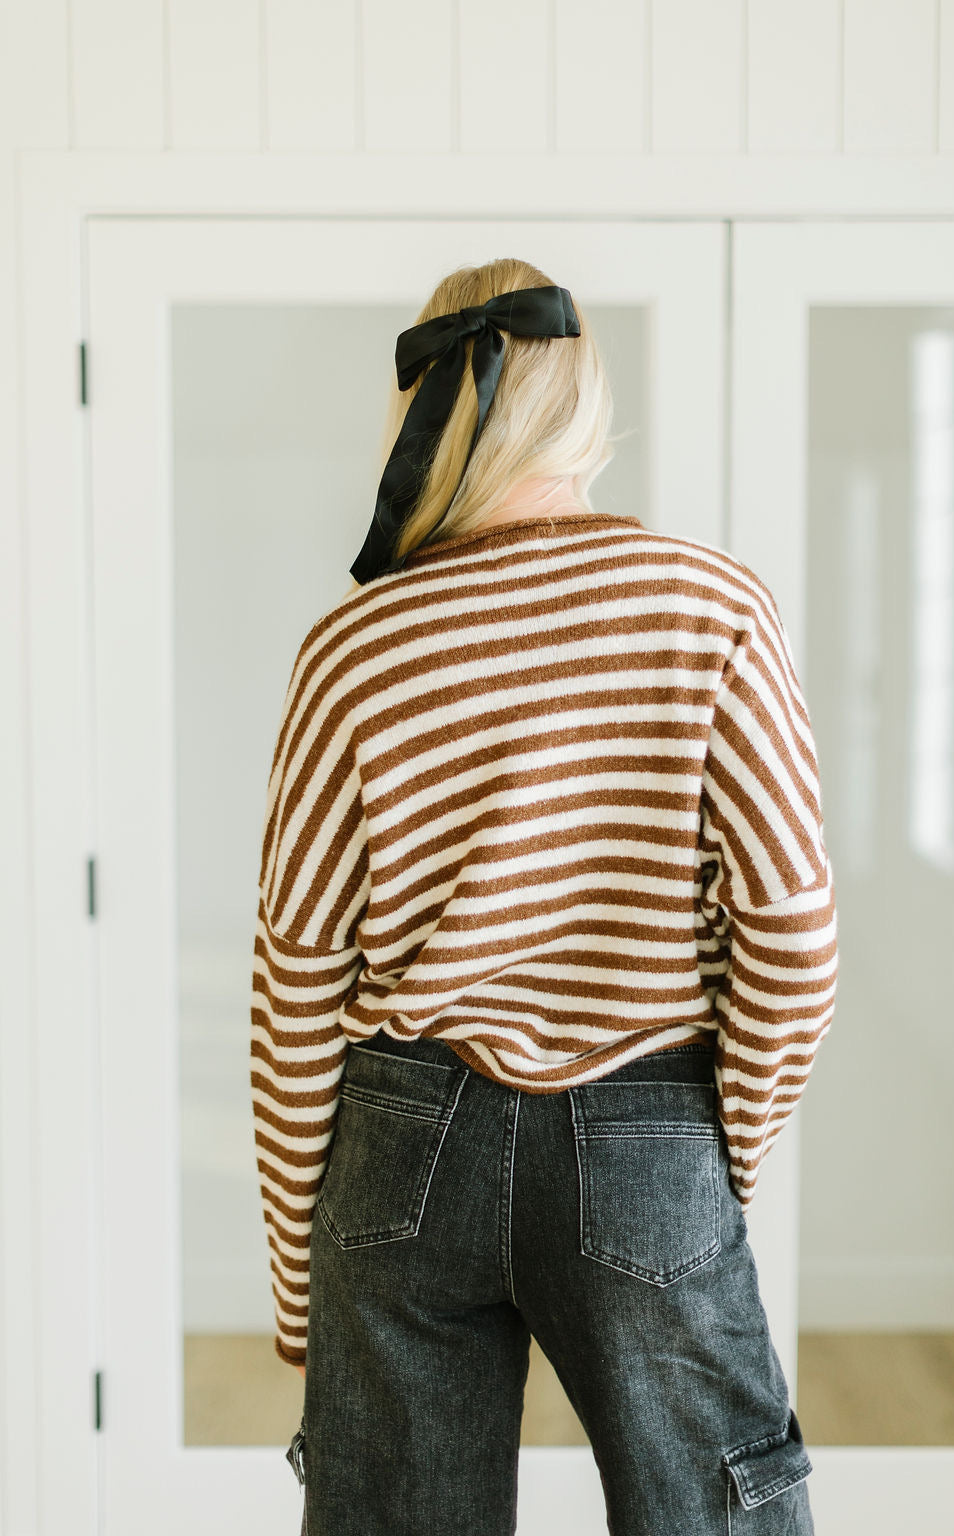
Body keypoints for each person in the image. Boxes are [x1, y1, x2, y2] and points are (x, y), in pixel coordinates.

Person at [250, 256, 837, 1535]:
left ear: (420, 416)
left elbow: (296, 979)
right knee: (714, 1519)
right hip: (645, 1123)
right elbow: (792, 932)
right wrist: (718, 1147)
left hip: (401, 1147)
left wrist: (298, 1278)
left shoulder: (352, 647)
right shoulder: (709, 608)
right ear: (585, 407)